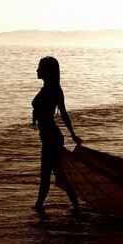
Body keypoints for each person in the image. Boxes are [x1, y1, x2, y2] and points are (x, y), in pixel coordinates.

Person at [32, 56, 82, 211]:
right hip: (49, 138)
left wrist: (73, 134)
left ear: (47, 71)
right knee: (55, 175)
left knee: (49, 176)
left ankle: (39, 207)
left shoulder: (54, 90)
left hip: (51, 139)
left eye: (40, 67)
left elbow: (64, 114)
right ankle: (75, 208)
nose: (37, 70)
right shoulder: (48, 89)